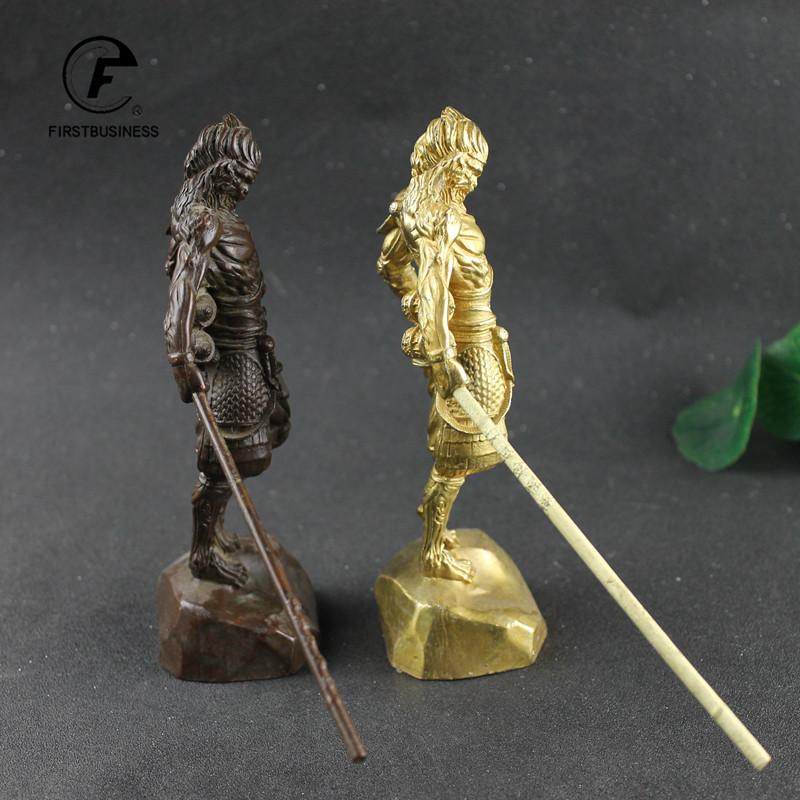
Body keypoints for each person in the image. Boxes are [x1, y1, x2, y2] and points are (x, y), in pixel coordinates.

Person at [377, 107, 514, 582]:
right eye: (468, 168)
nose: (474, 179)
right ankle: (433, 548)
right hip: (467, 347)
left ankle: (435, 529)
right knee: (459, 450)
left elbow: (391, 265)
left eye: (479, 171)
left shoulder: (414, 208)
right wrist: (441, 353)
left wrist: (415, 307)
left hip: (477, 338)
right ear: (446, 163)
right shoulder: (439, 218)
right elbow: (432, 284)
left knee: (466, 449)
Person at [164, 113, 290, 587]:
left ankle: (214, 535)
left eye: (250, 179)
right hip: (230, 360)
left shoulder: (223, 219)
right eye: (240, 176)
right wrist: (181, 358)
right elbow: (181, 296)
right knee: (227, 458)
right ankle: (203, 554)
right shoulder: (203, 222)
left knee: (253, 446)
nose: (245, 187)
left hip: (252, 350)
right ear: (218, 171)